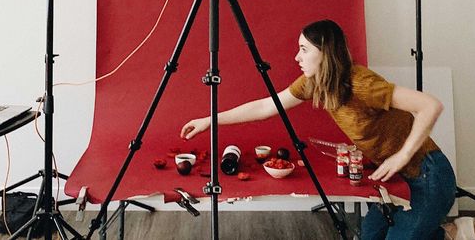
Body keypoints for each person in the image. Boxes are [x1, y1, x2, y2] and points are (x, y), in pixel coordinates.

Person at [180, 19, 457, 239]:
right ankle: (451, 232)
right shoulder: (313, 83)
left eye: (304, 49)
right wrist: (210, 120)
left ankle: (454, 232)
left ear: (325, 52)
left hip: (427, 175)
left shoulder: (361, 83)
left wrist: (402, 155)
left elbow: (430, 105)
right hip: (392, 179)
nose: (297, 57)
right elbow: (265, 107)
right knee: (371, 235)